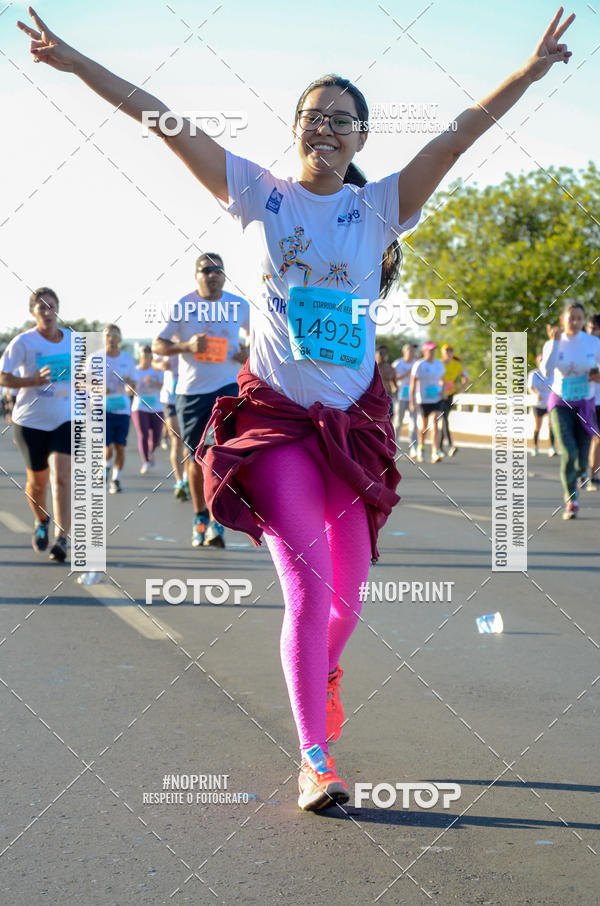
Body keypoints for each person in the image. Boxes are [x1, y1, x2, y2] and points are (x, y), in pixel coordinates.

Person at [18, 4, 575, 811]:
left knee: (348, 600)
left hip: (350, 430)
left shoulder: (379, 207)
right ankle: (315, 757)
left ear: (360, 137)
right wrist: (76, 63)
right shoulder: (257, 192)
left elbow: (457, 138)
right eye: (314, 116)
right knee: (310, 591)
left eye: (342, 120)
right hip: (276, 425)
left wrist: (527, 71)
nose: (327, 129)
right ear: (295, 127)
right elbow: (159, 118)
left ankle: (322, 675)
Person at [152, 254, 250, 548]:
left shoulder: (239, 306)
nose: (213, 274)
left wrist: (248, 353)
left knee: (219, 456)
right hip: (192, 393)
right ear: (196, 275)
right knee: (197, 459)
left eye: (218, 269)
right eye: (206, 270)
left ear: (225, 275)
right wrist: (186, 345)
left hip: (228, 389)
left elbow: (259, 338)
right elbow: (158, 344)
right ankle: (200, 518)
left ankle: (217, 521)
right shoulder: (183, 306)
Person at [0, 288, 71, 561]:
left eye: (51, 306)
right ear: (33, 312)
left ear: (58, 309)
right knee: (37, 484)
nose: (47, 312)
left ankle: (62, 538)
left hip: (65, 418)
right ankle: (42, 519)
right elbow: (3, 376)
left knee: (61, 477)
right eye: (41, 307)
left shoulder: (73, 340)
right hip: (30, 421)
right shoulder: (23, 342)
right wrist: (32, 381)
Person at [541, 301, 600, 519]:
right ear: (562, 319)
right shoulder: (553, 343)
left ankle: (579, 474)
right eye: (570, 318)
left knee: (582, 458)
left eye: (579, 318)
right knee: (569, 451)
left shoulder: (592, 343)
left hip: (585, 404)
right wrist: (555, 342)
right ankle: (571, 499)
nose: (574, 322)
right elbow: (546, 371)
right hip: (560, 403)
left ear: (583, 321)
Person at [103, 324, 136, 494]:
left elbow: (133, 382)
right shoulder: (95, 359)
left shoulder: (127, 359)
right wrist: (98, 388)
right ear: (103, 338)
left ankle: (115, 479)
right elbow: (82, 382)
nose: (111, 338)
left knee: (120, 448)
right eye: (108, 334)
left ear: (120, 338)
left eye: (115, 334)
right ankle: (105, 466)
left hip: (122, 410)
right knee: (107, 448)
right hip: (102, 410)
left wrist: (131, 386)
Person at [155, 354, 189, 500]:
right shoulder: (166, 341)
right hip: (170, 398)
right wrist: (161, 365)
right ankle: (179, 482)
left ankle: (187, 477)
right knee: (176, 440)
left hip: (190, 395)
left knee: (190, 442)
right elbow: (155, 361)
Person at [410, 341, 446, 463]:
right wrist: (412, 401)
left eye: (433, 350)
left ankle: (435, 451)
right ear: (424, 351)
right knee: (424, 426)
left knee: (435, 422)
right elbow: (413, 383)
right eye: (430, 350)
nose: (432, 352)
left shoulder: (439, 364)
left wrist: (443, 390)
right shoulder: (419, 364)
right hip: (423, 400)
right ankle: (421, 448)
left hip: (436, 398)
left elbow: (442, 379)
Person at [131, 345, 163, 474]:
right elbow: (129, 388)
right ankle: (146, 462)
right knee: (143, 435)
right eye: (143, 355)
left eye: (148, 355)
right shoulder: (135, 371)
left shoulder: (157, 370)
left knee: (157, 439)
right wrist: (131, 387)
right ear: (140, 356)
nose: (145, 358)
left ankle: (151, 452)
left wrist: (152, 382)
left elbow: (162, 386)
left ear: (151, 357)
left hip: (157, 407)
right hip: (140, 406)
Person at [439, 343, 468, 456]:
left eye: (450, 351)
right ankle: (450, 445)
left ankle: (440, 447)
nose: (449, 353)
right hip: (439, 395)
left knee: (444, 418)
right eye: (446, 351)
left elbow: (465, 377)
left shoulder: (456, 364)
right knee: (444, 418)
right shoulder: (439, 364)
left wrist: (460, 389)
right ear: (442, 353)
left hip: (450, 395)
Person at [528, 354, 556, 457]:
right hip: (538, 403)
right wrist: (536, 393)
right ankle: (535, 446)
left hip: (550, 403)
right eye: (541, 361)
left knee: (551, 425)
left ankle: (552, 447)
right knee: (538, 426)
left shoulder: (552, 374)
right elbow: (530, 388)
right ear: (538, 362)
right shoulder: (534, 374)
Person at [392, 343, 418, 454]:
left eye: (413, 351)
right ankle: (393, 445)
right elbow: (393, 378)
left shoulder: (417, 363)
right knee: (398, 422)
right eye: (410, 350)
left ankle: (414, 447)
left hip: (413, 398)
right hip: (401, 396)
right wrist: (408, 372)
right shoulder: (398, 364)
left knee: (414, 422)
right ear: (404, 352)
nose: (412, 353)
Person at [585, 313, 600, 488]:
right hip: (587, 400)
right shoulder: (581, 348)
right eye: (589, 327)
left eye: (595, 328)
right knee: (594, 438)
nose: (591, 331)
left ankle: (592, 476)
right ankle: (588, 475)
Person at [375, 345, 397, 413]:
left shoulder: (390, 368)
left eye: (385, 353)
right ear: (375, 354)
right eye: (381, 353)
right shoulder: (371, 367)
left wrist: (396, 395)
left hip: (387, 397)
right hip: (374, 397)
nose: (383, 355)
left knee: (389, 416)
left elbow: (395, 384)